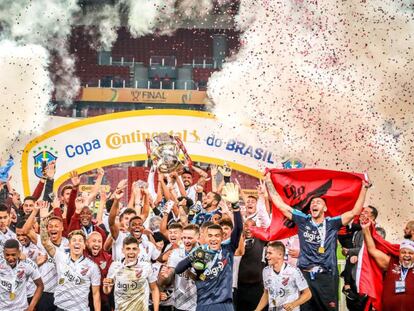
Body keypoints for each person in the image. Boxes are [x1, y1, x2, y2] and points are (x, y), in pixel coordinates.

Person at [264, 172, 370, 311]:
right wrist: (269, 182)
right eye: (312, 202)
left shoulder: (332, 223)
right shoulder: (303, 220)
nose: (314, 203)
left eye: (318, 202)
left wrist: (364, 188)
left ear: (325, 208)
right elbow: (281, 205)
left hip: (326, 276)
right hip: (304, 276)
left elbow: (354, 212)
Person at [175, 183, 243, 311]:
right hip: (204, 304)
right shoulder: (200, 252)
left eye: (217, 235)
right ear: (205, 237)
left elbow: (239, 228)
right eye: (210, 235)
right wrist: (194, 264)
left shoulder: (228, 249)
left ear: (222, 237)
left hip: (225, 304)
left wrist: (235, 206)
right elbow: (178, 269)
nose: (213, 238)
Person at [40, 202, 101, 311]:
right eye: (74, 240)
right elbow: (45, 241)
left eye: (80, 240)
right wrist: (43, 219)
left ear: (84, 245)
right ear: (69, 244)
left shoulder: (92, 267)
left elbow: (96, 294)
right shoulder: (60, 257)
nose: (77, 243)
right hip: (61, 308)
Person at [361, 220, 414, 311]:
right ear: (399, 253)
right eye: (403, 252)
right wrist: (366, 230)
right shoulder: (391, 262)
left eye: (410, 253)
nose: (407, 255)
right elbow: (372, 250)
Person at [103, 235, 160, 311]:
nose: (131, 252)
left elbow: (154, 289)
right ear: (123, 250)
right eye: (128, 249)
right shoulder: (115, 266)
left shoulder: (146, 266)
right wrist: (106, 286)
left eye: (134, 249)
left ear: (138, 251)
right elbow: (107, 291)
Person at [254, 241, 311, 311]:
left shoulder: (294, 271)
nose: (266, 256)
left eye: (270, 253)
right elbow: (267, 293)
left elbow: (307, 294)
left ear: (280, 255)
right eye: (266, 253)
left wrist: (293, 304)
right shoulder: (265, 271)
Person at [159, 224, 200, 311]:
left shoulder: (204, 254)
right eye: (184, 238)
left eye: (189, 238)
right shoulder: (176, 253)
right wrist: (166, 276)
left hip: (199, 304)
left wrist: (192, 274)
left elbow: (207, 280)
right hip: (180, 304)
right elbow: (168, 280)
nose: (186, 241)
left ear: (197, 238)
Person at [0, 238, 44, 311]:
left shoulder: (27, 264)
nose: (10, 258)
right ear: (3, 253)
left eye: (13, 255)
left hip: (21, 308)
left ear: (19, 252)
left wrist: (31, 307)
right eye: (7, 255)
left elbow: (40, 286)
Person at [236, 219, 266, 311]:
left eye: (252, 226)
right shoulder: (236, 242)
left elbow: (267, 223)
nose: (248, 229)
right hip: (240, 287)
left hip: (257, 287)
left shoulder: (262, 241)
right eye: (246, 226)